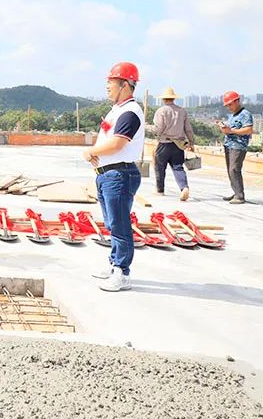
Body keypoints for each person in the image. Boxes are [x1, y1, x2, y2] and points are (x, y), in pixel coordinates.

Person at [82, 62, 144, 293]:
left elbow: (118, 144)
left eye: (111, 82)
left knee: (120, 225)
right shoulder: (117, 110)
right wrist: (96, 156)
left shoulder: (130, 112)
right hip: (108, 175)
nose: (107, 86)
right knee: (112, 224)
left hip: (120, 175)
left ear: (125, 85)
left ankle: (122, 273)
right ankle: (114, 265)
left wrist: (91, 151)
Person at [152, 87, 195, 201]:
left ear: (164, 99)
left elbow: (158, 128)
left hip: (164, 143)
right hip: (179, 145)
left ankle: (160, 190)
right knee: (178, 167)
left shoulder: (161, 111)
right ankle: (184, 187)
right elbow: (188, 129)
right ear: (173, 98)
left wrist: (153, 132)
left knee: (160, 167)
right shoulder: (182, 111)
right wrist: (191, 143)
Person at [218, 91, 253, 204]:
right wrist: (224, 128)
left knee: (234, 169)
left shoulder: (245, 114)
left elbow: (248, 130)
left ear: (237, 101)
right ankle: (236, 192)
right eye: (227, 105)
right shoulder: (233, 115)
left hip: (238, 146)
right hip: (229, 145)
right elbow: (230, 129)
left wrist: (231, 131)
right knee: (230, 170)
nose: (229, 107)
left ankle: (239, 196)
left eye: (230, 104)